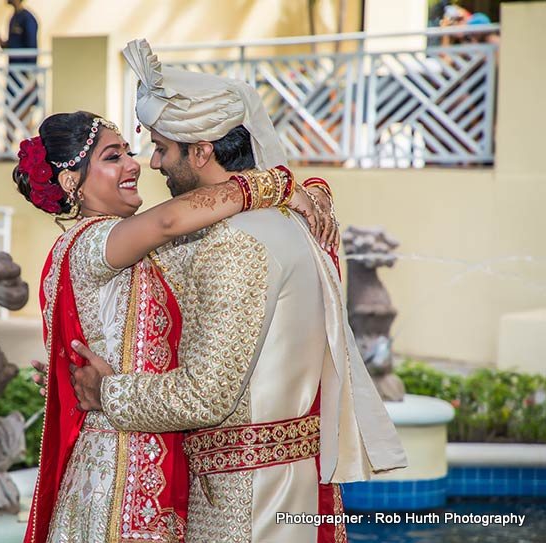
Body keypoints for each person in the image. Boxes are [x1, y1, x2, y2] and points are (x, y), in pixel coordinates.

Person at [64, 39, 408, 543]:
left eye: (161, 148)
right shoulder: (285, 220)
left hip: (248, 505)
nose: (153, 164)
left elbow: (205, 395)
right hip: (279, 485)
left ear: (201, 150)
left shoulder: (234, 242)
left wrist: (105, 391)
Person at [14, 111, 325, 542]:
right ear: (72, 183)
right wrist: (277, 185)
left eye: (129, 151)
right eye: (112, 156)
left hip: (149, 459)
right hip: (115, 474)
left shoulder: (131, 244)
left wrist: (311, 195)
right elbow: (169, 220)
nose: (134, 164)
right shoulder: (90, 242)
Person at [0, 0, 39, 126]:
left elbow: (32, 48)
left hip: (24, 73)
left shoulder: (28, 18)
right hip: (13, 72)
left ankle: (28, 141)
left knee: (25, 108)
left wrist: (31, 75)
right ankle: (9, 141)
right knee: (11, 108)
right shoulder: (13, 17)